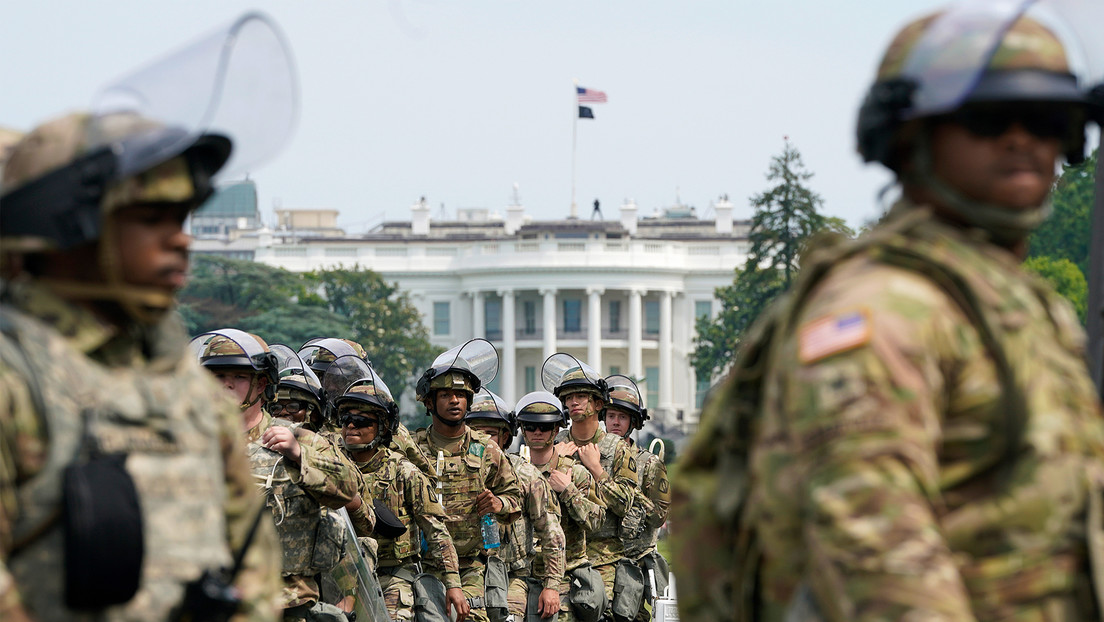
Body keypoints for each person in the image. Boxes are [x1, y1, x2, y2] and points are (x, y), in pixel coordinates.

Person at [670, 3, 1104, 621]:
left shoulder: (1023, 309)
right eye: (985, 118)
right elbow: (872, 545)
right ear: (908, 137)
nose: (1021, 139)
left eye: (1047, 119)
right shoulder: (882, 308)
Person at [0, 12, 297, 616]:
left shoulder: (185, 391)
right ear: (75, 233)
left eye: (181, 218)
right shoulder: (16, 381)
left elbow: (249, 565)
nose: (181, 240)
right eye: (151, 220)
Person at [195, 330, 363, 621]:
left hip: (286, 602)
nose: (226, 385)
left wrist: (300, 455)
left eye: (238, 376)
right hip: (212, 600)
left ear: (261, 383)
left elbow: (350, 489)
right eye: (217, 376)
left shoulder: (298, 438)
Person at [329, 357, 466, 621]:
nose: (351, 427)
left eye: (361, 421)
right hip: (344, 574)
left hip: (395, 574)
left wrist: (454, 584)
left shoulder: (404, 471)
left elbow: (436, 530)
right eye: (346, 419)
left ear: (381, 428)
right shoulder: (332, 467)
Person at [413, 339, 523, 622]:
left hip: (473, 564)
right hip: (423, 564)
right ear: (430, 402)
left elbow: (515, 498)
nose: (454, 401)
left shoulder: (486, 448)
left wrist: (498, 503)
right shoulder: (414, 449)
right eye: (446, 395)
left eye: (461, 395)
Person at [543, 354, 650, 621]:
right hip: (561, 555)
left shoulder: (616, 449)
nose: (573, 402)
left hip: (604, 556)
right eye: (568, 397)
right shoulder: (556, 444)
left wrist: (598, 470)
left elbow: (625, 504)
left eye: (581, 396)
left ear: (598, 403)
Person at [466, 389, 566, 621]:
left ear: (504, 438)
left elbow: (551, 532)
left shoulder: (526, 475)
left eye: (490, 434)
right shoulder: (457, 474)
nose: (483, 441)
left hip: (514, 576)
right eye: (476, 433)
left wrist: (551, 585)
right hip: (469, 572)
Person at [516, 391, 607, 622]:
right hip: (521, 574)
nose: (537, 432)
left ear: (556, 430)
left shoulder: (573, 472)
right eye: (530, 427)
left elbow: (596, 521)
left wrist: (568, 491)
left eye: (544, 428)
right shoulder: (513, 472)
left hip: (566, 575)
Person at [300, 336, 432, 474]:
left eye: (337, 378)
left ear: (358, 378)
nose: (330, 385)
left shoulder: (387, 428)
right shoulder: (309, 423)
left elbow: (426, 479)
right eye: (322, 377)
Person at [602, 375, 670, 620]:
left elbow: (659, 515)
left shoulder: (649, 463)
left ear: (632, 422)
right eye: (611, 416)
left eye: (622, 417)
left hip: (635, 563)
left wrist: (633, 499)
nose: (616, 422)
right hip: (598, 560)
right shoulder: (592, 457)